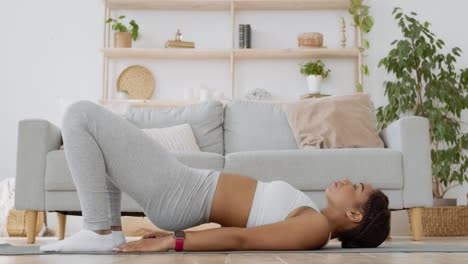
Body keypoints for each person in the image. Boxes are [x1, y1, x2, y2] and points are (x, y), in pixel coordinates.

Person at [39, 100, 390, 252]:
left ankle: (98, 230)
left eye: (355, 187)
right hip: (183, 187)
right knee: (94, 135)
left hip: (179, 189)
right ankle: (109, 233)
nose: (347, 180)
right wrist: (172, 232)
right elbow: (242, 222)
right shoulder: (312, 217)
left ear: (355, 214)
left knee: (79, 114)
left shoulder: (315, 228)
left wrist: (173, 243)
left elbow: (243, 241)